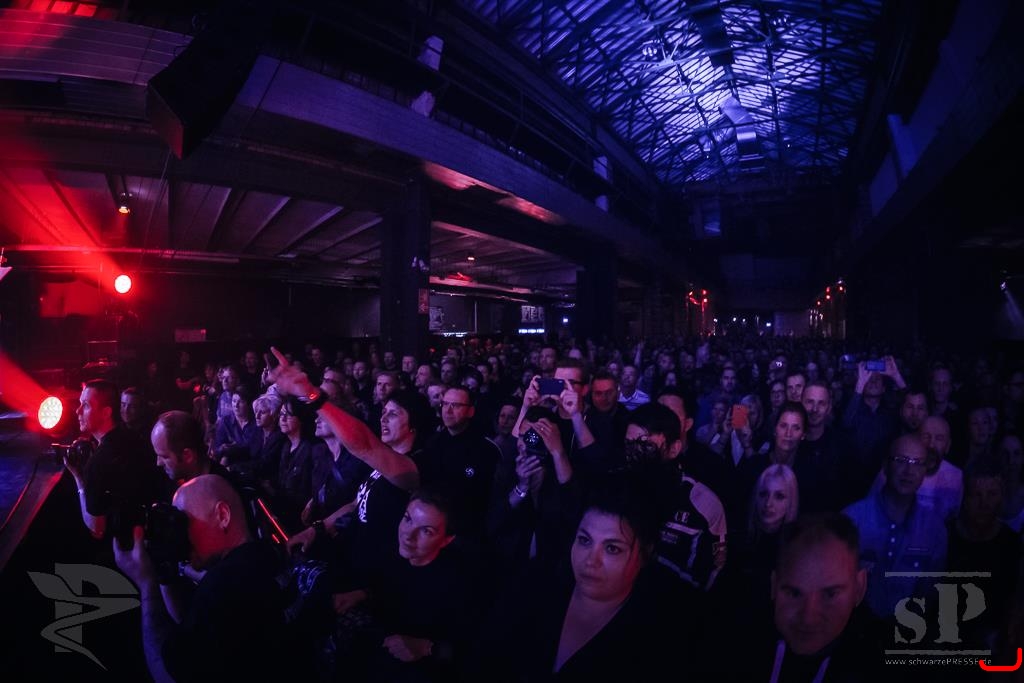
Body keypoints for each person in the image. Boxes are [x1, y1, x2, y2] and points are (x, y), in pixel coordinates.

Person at [474, 476, 680, 681]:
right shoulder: (533, 585)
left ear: (645, 553)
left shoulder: (659, 637)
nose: (591, 561)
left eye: (612, 548)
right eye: (584, 540)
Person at [113, 474, 294, 683]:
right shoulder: (267, 555)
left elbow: (167, 675)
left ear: (223, 516)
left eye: (183, 522)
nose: (178, 534)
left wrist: (146, 585)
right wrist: (165, 568)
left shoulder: (223, 587)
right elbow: (189, 625)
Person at [843, 434, 948, 617]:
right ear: (886, 465)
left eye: (917, 463)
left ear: (925, 471)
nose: (909, 470)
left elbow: (930, 592)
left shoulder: (934, 529)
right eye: (901, 460)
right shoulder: (853, 519)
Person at [66, 379, 162, 541]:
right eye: (80, 404)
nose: (78, 411)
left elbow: (97, 528)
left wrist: (79, 479)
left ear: (106, 413)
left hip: (124, 545)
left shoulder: (98, 462)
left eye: (86, 405)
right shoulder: (135, 439)